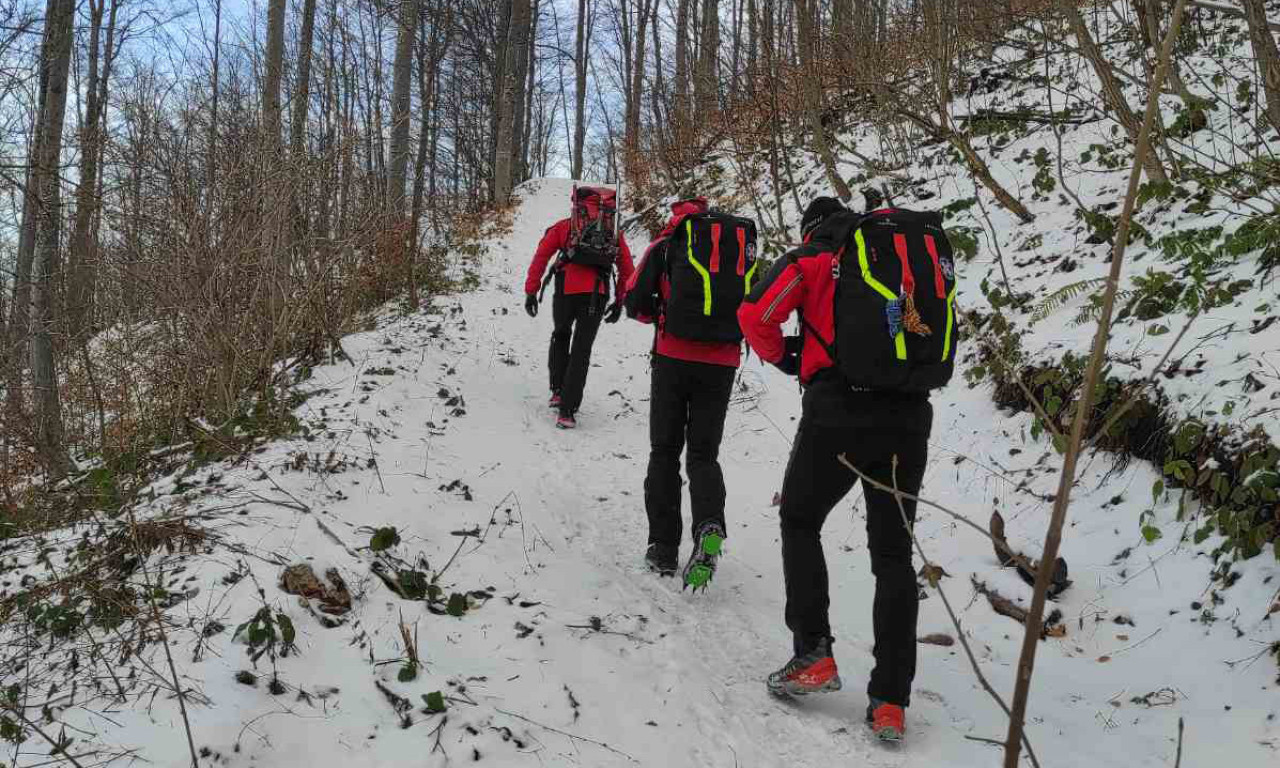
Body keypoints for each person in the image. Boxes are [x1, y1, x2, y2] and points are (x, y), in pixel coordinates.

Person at [737, 194, 951, 743]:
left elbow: (756, 313)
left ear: (812, 227)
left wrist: (785, 356)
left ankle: (813, 654)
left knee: (801, 521)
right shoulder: (900, 254)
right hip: (908, 417)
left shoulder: (816, 256)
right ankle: (890, 702)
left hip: (837, 415)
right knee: (893, 554)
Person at [624, 197, 758, 589]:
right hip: (722, 363)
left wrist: (659, 315)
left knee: (664, 451)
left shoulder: (669, 241)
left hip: (673, 358)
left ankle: (664, 548)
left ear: (678, 215)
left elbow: (635, 300)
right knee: (703, 454)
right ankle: (710, 524)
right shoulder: (738, 247)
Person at [524, 187, 634, 429]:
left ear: (577, 203)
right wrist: (620, 301)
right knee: (582, 350)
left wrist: (531, 290)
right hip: (597, 294)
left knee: (561, 335)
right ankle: (568, 411)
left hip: (565, 291)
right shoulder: (612, 230)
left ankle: (557, 391)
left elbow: (541, 256)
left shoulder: (566, 226)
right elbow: (627, 269)